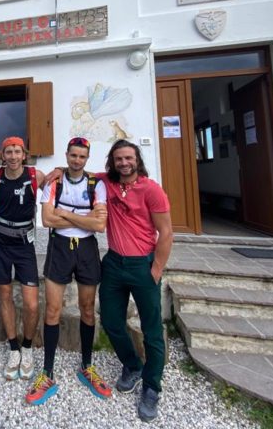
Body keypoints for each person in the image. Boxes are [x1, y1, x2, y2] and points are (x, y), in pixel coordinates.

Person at [25, 137, 111, 406]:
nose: (77, 160)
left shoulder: (96, 185)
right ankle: (47, 373)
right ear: (66, 155)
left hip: (87, 250)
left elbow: (99, 226)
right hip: (59, 247)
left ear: (87, 158)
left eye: (82, 156)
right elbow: (47, 220)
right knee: (52, 309)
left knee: (87, 309)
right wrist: (84, 218)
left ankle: (87, 366)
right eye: (73, 155)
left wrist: (66, 214)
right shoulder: (55, 182)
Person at [98, 139, 173, 422]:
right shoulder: (107, 182)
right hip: (114, 264)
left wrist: (156, 269)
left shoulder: (151, 190)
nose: (124, 163)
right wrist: (57, 172)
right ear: (113, 161)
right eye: (119, 159)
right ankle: (132, 365)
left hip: (143, 266)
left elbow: (166, 232)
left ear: (137, 159)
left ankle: (152, 387)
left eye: (128, 158)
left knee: (152, 330)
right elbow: (76, 171)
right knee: (111, 321)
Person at [0, 137, 45, 381]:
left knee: (31, 304)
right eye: (8, 152)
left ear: (24, 154)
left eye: (17, 152)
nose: (12, 156)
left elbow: (58, 183)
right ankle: (13, 349)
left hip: (24, 245)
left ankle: (27, 348)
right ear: (2, 155)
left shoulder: (35, 176)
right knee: (5, 295)